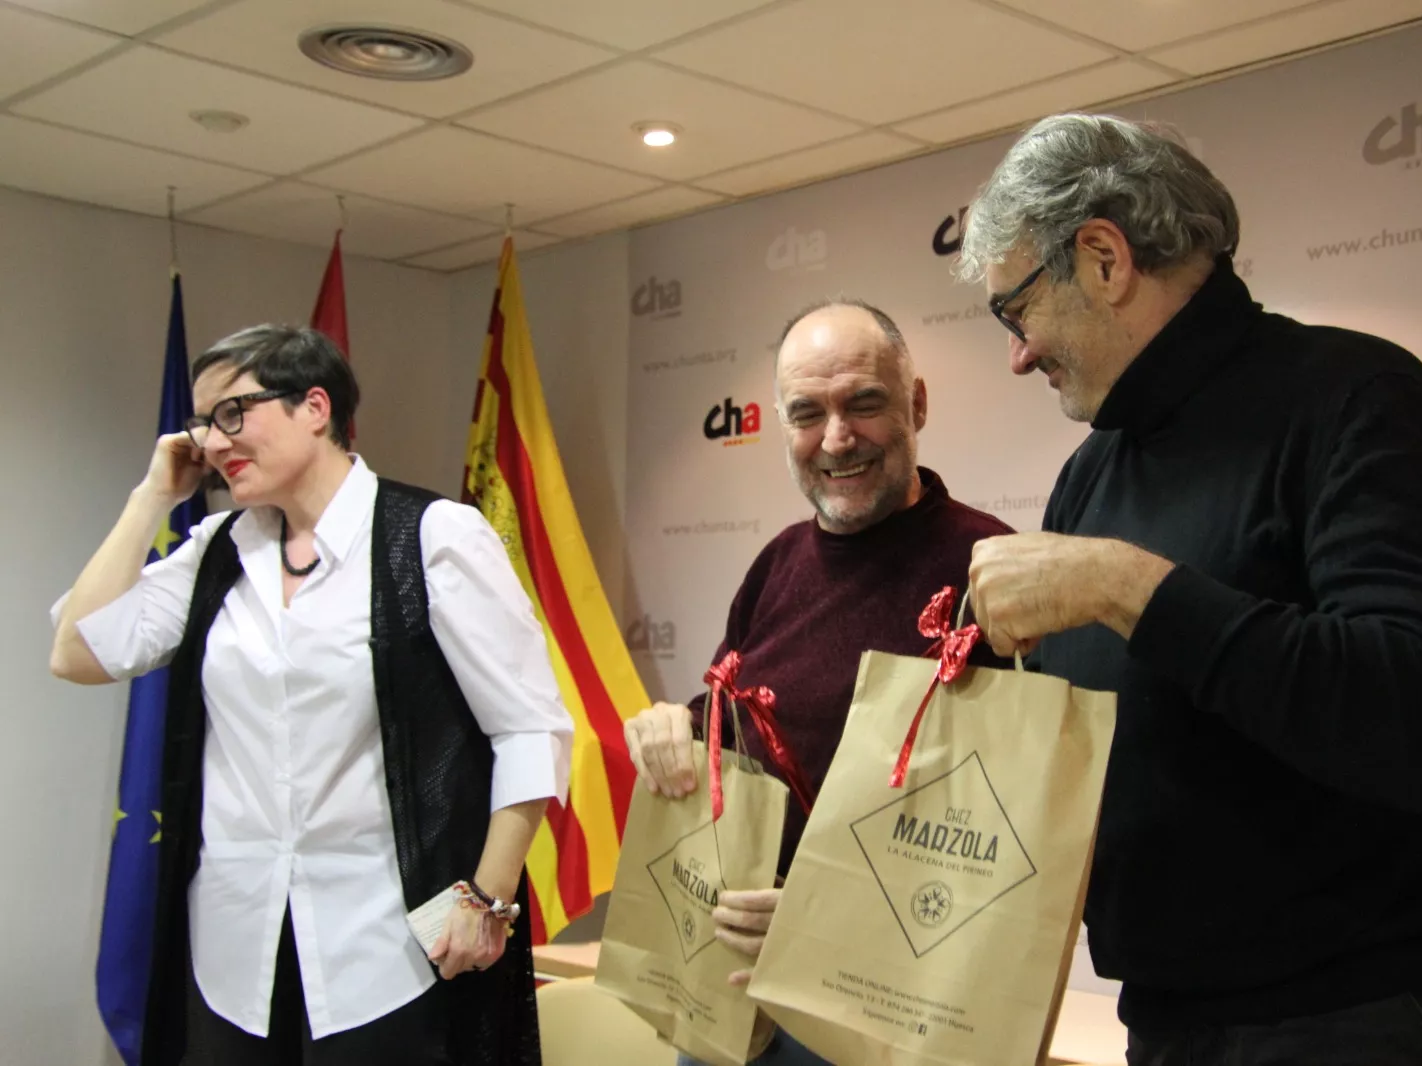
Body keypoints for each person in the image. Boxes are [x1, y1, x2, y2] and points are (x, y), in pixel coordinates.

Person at [956, 113, 1422, 1066]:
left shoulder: (1360, 401)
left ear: (1103, 258)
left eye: (1015, 311)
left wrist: (1124, 585)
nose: (1018, 354)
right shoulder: (1092, 472)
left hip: (1361, 1011)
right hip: (1174, 1014)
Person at [50, 325, 574, 1066]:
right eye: (203, 422)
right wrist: (149, 500)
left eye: (234, 413)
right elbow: (77, 650)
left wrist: (487, 900)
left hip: (388, 948)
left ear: (315, 407)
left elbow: (529, 730)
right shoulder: (216, 551)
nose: (213, 440)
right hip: (233, 950)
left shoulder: (429, 537)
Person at [623, 300, 1012, 1066]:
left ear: (918, 404)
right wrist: (676, 726)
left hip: (893, 1016)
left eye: (863, 403)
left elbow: (1010, 831)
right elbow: (745, 726)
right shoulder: (777, 563)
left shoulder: (987, 568)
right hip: (736, 997)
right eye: (808, 413)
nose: (837, 438)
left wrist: (828, 914)